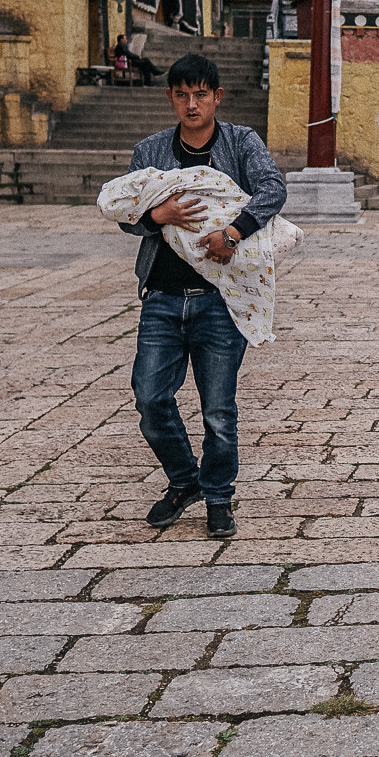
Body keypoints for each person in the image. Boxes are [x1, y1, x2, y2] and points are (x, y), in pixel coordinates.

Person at [115, 54, 288, 540]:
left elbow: (273, 189)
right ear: (171, 96)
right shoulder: (150, 150)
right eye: (182, 95)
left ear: (216, 97)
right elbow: (128, 215)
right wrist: (158, 216)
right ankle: (184, 480)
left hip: (220, 299)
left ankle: (218, 497)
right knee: (149, 398)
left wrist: (233, 232)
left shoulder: (240, 142)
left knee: (217, 408)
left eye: (201, 95)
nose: (191, 104)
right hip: (163, 298)